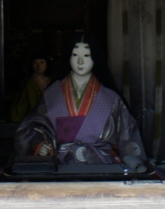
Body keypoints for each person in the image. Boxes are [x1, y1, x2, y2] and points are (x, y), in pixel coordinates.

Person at [14, 34, 145, 165]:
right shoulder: (52, 93)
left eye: (86, 55)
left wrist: (132, 160)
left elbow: (127, 134)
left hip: (101, 164)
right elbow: (32, 127)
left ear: (95, 57)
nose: (80, 61)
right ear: (68, 57)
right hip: (61, 164)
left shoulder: (110, 97)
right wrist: (39, 144)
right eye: (75, 55)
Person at [8, 56, 52, 123]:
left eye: (42, 62)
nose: (39, 65)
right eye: (35, 62)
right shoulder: (30, 82)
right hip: (34, 117)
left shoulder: (52, 80)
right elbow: (30, 103)